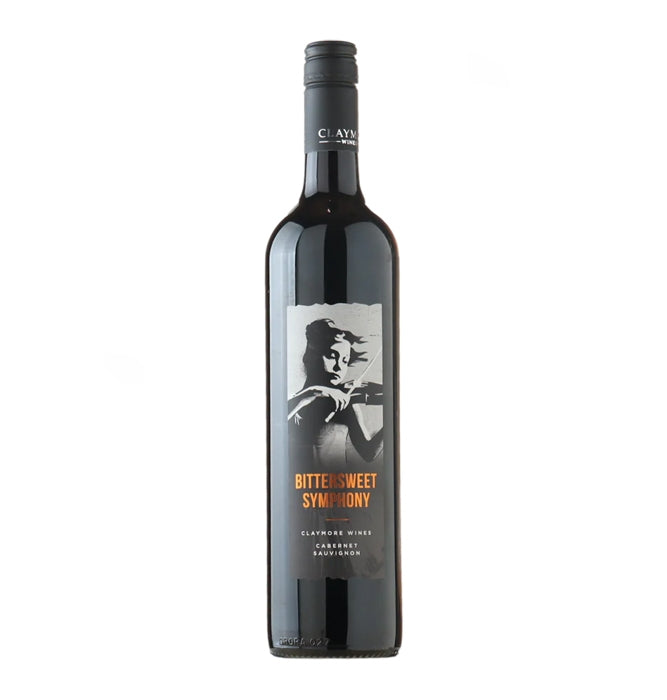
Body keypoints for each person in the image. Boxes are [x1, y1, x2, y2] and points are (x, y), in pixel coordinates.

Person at [288, 318, 383, 468]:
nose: (339, 367)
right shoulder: (292, 402)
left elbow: (369, 452)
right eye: (332, 357)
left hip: (337, 479)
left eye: (345, 360)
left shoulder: (344, 404)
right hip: (300, 481)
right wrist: (316, 391)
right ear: (310, 357)